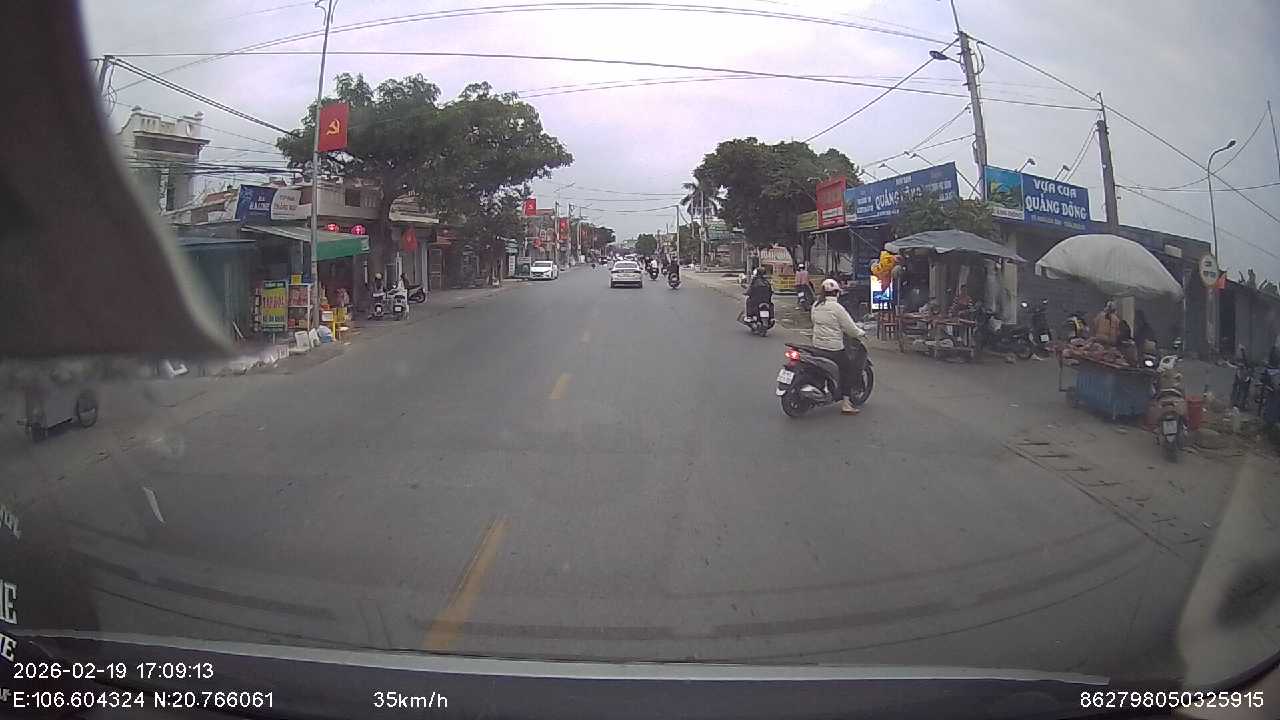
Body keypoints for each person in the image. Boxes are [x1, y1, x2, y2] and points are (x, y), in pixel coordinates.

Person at [811, 278, 867, 415]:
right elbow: (850, 328)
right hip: (833, 348)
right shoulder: (837, 308)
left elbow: (814, 321)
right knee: (848, 370)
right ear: (836, 293)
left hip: (817, 346)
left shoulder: (816, 305)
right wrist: (861, 333)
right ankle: (846, 404)